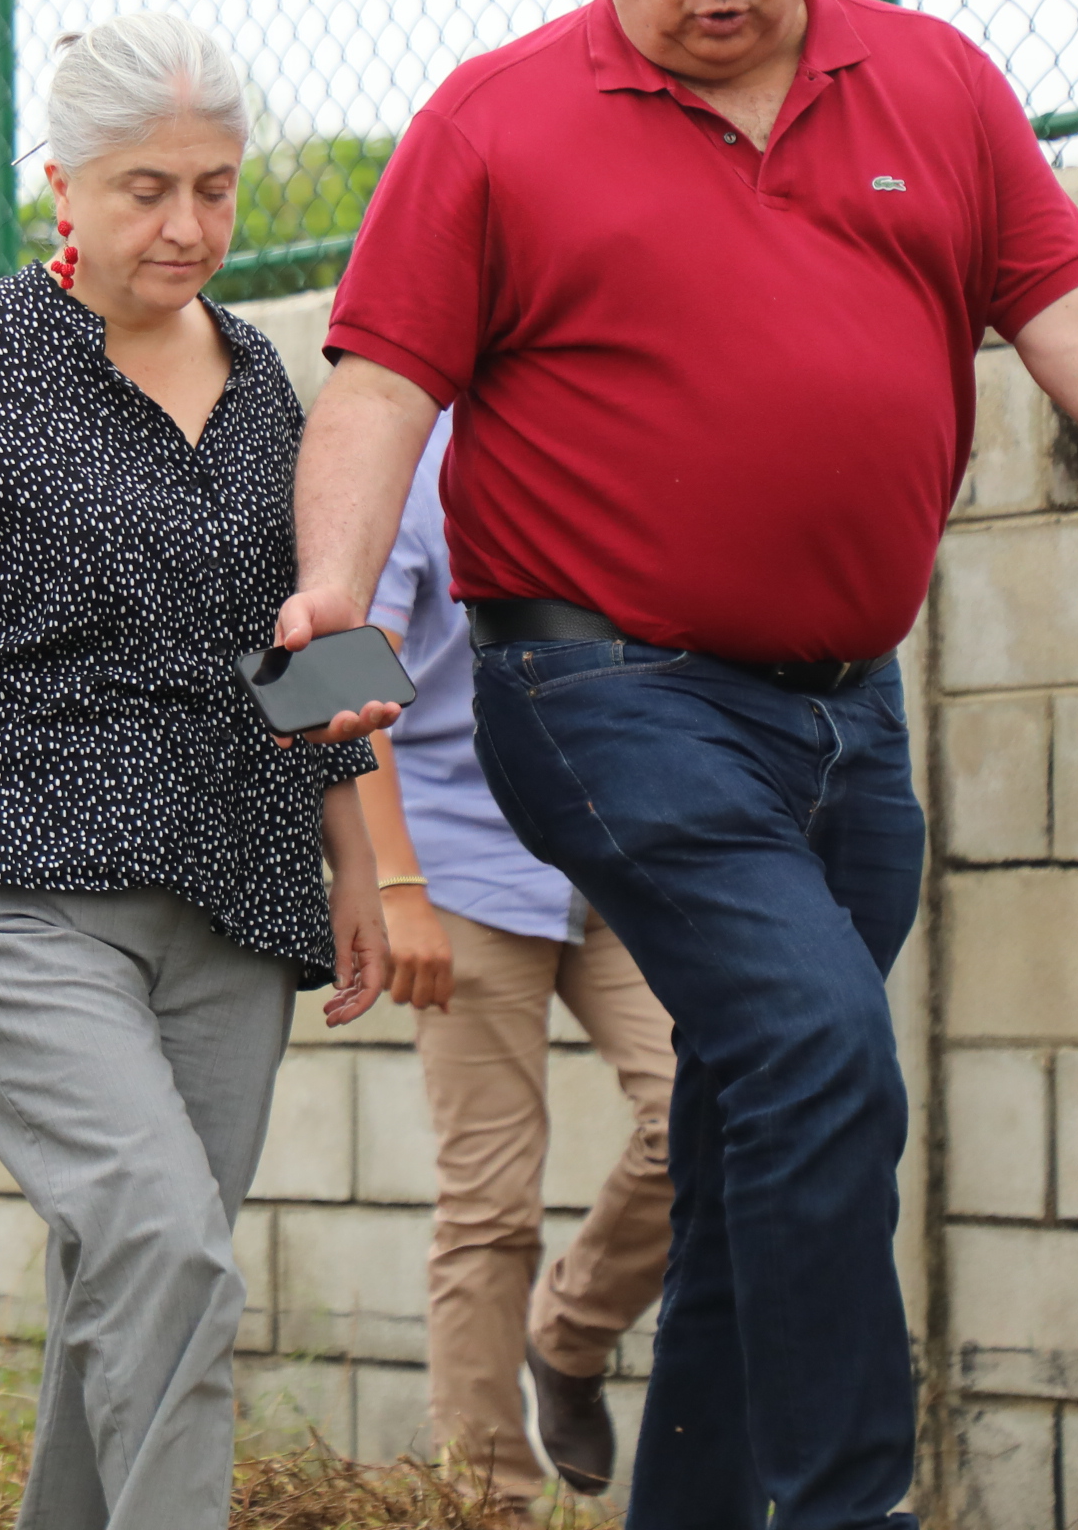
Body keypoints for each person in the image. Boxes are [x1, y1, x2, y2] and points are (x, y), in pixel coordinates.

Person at [275, 0, 1078, 1530]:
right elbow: (377, 382)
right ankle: (849, 1507)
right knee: (818, 1052)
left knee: (747, 1137)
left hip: (842, 719)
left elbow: (1077, 314)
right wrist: (334, 595)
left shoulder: (933, 83)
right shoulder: (495, 123)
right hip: (604, 685)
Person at [0, 12, 385, 1530]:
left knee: (139, 1287)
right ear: (61, 184)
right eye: (148, 187)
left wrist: (361, 868)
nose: (190, 224)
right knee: (170, 1254)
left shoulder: (267, 378)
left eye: (215, 186)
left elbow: (298, 635)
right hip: (14, 892)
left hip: (236, 891)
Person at [359, 406, 672, 1517]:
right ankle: (487, 1501)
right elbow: (353, 681)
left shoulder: (629, 425)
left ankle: (571, 1331)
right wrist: (399, 887)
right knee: (490, 1204)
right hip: (464, 860)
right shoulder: (405, 455)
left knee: (711, 1111)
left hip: (617, 844)